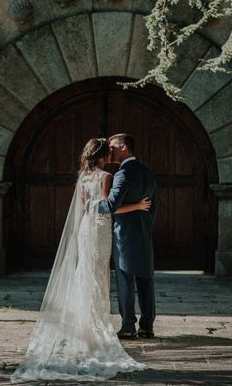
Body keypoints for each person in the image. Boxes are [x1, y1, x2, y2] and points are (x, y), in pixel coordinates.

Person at [11, 138, 150, 383]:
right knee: (97, 277)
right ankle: (94, 328)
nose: (110, 155)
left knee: (86, 275)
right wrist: (137, 205)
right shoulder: (105, 176)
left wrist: (77, 235)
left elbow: (83, 209)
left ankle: (83, 326)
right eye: (108, 152)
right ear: (102, 155)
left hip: (86, 229)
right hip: (99, 231)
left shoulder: (83, 176)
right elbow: (109, 207)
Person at [98, 133, 157, 339]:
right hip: (144, 230)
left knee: (125, 279)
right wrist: (147, 225)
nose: (109, 150)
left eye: (112, 146)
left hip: (124, 233)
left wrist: (90, 204)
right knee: (146, 278)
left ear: (124, 147)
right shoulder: (149, 172)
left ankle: (128, 326)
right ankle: (147, 326)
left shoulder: (122, 174)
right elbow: (153, 206)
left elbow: (110, 206)